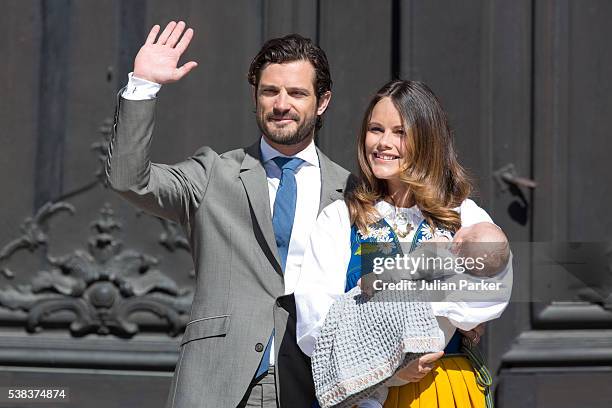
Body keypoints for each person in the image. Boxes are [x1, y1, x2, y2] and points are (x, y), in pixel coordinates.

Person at [105, 21, 352, 408]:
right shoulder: (213, 174)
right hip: (220, 385)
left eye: (297, 93)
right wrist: (143, 85)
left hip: (317, 388)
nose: (281, 103)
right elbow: (127, 180)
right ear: (255, 97)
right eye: (270, 91)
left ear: (321, 102)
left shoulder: (352, 192)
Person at [294, 80, 513, 408]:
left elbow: (491, 293)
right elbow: (314, 327)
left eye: (400, 132)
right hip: (361, 390)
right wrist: (390, 366)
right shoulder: (340, 218)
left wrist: (413, 303)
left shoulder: (462, 214)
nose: (383, 143)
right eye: (375, 129)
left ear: (427, 140)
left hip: (442, 391)